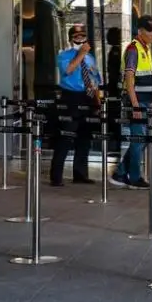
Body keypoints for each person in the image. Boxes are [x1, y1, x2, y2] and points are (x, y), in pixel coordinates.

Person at [49, 25, 100, 187]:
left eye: (83, 35)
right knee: (66, 136)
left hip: (88, 97)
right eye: (76, 35)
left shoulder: (91, 58)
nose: (80, 38)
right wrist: (81, 53)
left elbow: (95, 79)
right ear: (71, 38)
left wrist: (97, 101)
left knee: (84, 137)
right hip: (70, 98)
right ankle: (56, 176)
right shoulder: (64, 56)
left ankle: (80, 174)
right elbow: (68, 70)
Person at [111, 16, 152, 190]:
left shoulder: (145, 48)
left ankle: (121, 173)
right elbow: (129, 80)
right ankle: (133, 177)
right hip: (136, 103)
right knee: (138, 139)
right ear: (140, 31)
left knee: (142, 139)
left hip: (144, 102)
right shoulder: (133, 49)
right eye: (150, 32)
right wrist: (135, 105)